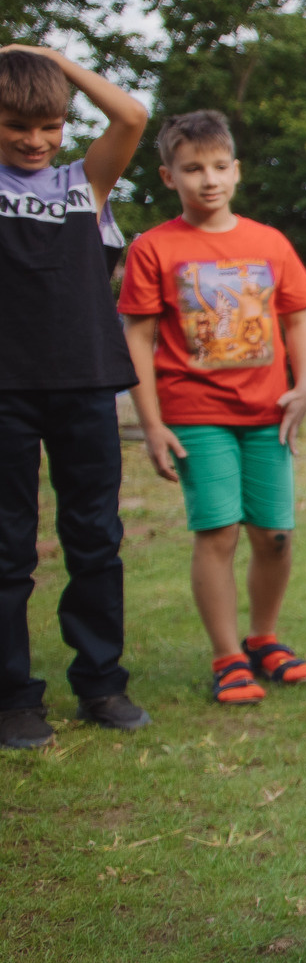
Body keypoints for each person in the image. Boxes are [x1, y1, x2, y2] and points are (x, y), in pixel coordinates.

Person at [118, 111, 306, 704]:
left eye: (218, 166)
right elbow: (137, 336)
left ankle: (264, 638)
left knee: (275, 535)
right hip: (194, 413)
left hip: (269, 414)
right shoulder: (154, 248)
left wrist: (304, 385)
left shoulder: (269, 242)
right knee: (218, 532)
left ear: (236, 170)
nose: (207, 179)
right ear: (168, 176)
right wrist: (150, 423)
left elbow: (299, 319)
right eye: (192, 169)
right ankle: (228, 655)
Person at [0, 45, 152, 749]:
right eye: (16, 125)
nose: (35, 140)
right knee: (7, 549)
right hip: (6, 391)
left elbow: (131, 113)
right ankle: (13, 698)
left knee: (95, 539)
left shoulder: (83, 182)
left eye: (50, 124)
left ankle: (101, 682)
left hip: (87, 383)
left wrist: (51, 58)